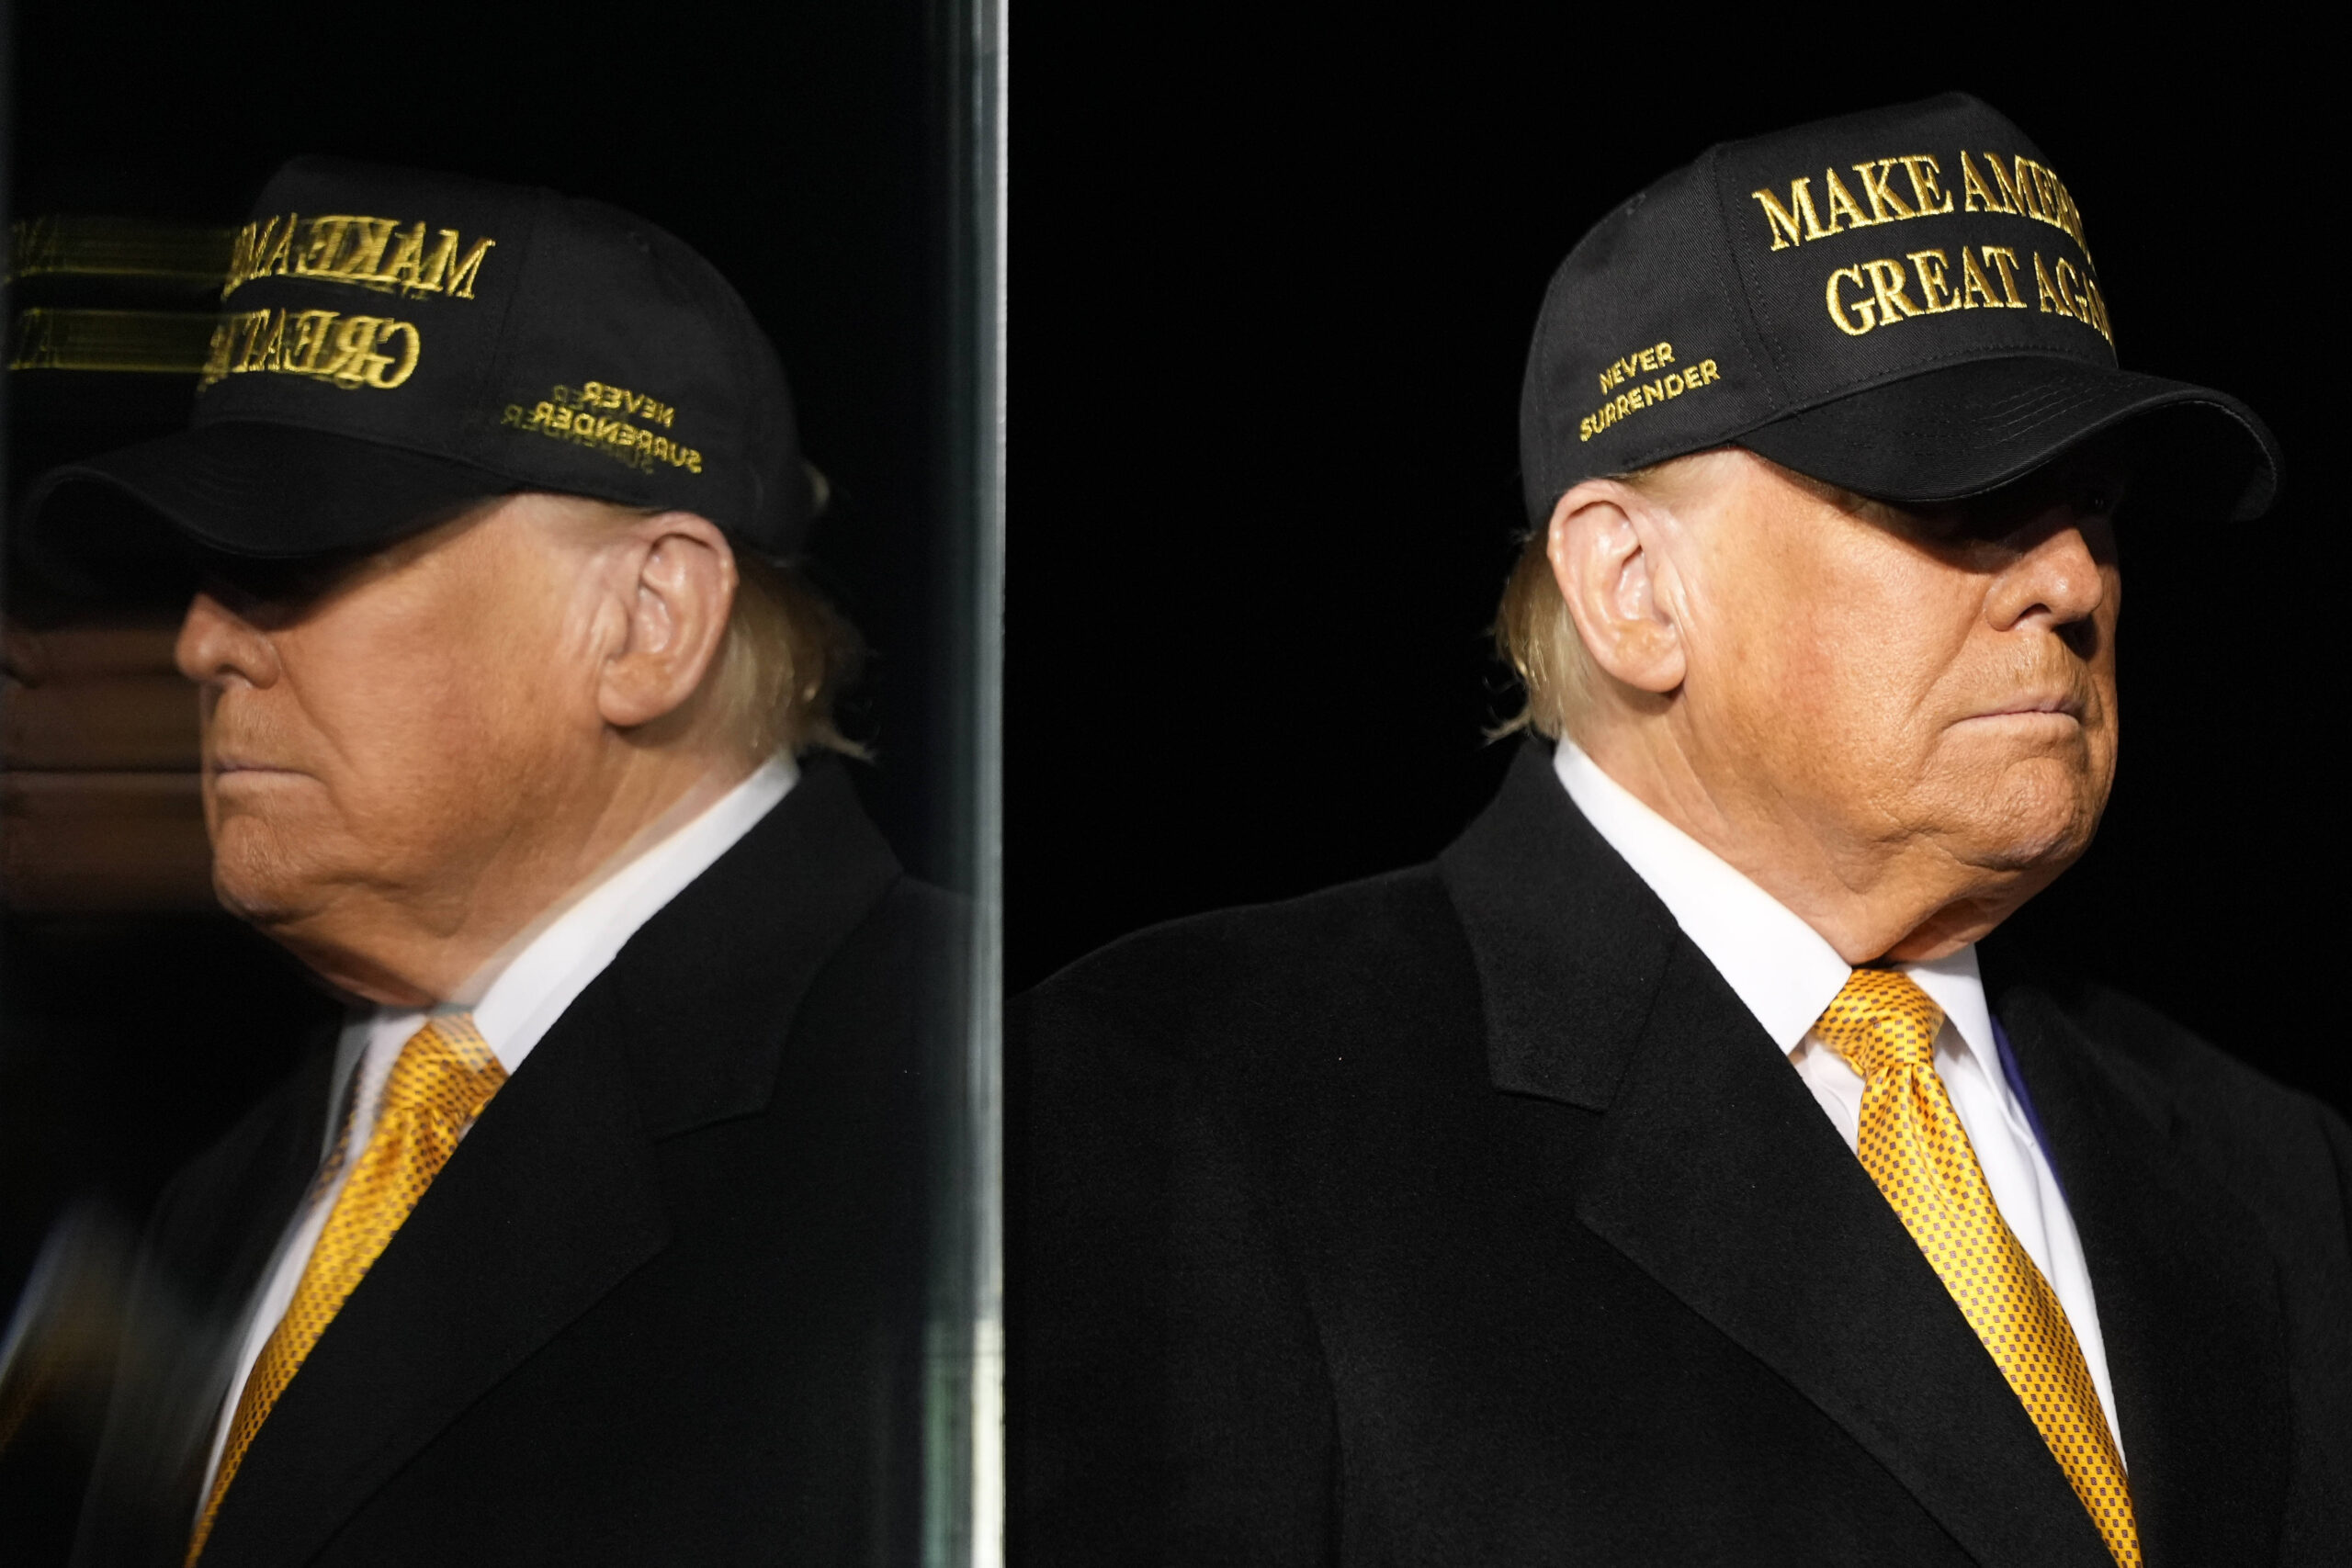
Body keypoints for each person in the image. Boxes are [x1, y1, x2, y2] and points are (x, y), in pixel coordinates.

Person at [1011, 93, 2351, 1566]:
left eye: (2093, 502)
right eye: (1959, 496)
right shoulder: (1200, 1100)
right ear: (1634, 586)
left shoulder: (2270, 1172)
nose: (2074, 583)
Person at [25, 157, 959, 1566]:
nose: (200, 644)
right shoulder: (234, 1187)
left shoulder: (985, 1110)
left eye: (299, 556)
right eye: (201, 572)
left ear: (648, 617)